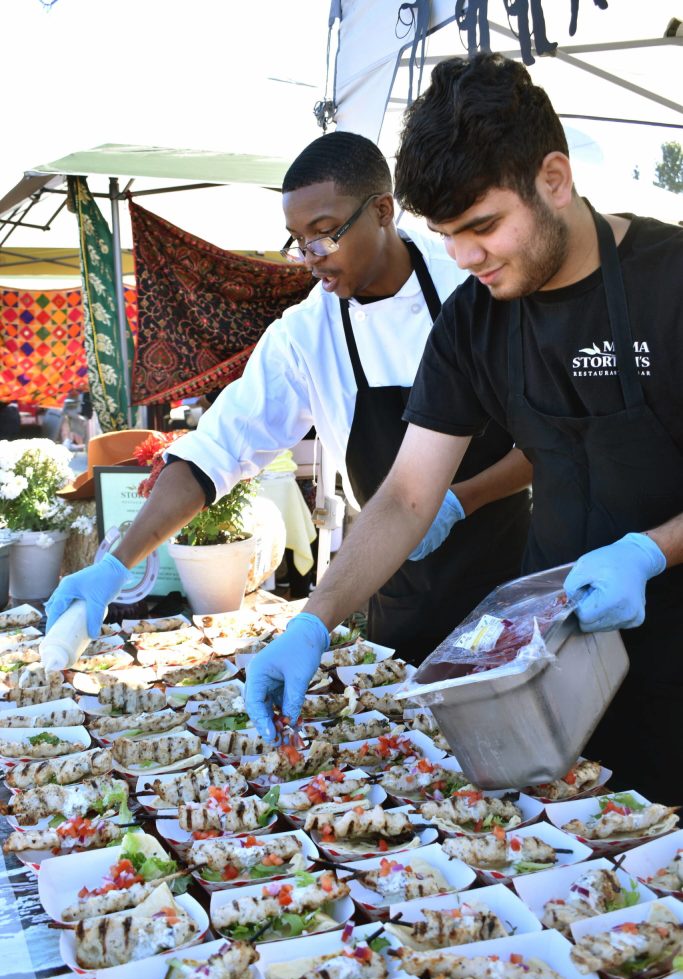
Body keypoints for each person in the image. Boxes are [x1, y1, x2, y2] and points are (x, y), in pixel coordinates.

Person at [244, 55, 683, 803]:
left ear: (553, 179)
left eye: (482, 226)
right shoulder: (472, 318)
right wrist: (314, 620)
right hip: (558, 666)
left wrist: (649, 551)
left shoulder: (668, 279)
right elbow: (407, 495)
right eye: (446, 234)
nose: (464, 257)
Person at [46, 131, 531, 683]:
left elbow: (549, 443)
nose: (309, 259)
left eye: (324, 237)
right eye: (298, 241)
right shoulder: (307, 331)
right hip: (392, 586)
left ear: (381, 211)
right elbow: (218, 450)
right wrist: (114, 565)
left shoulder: (473, 285)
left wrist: (455, 503)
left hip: (507, 576)